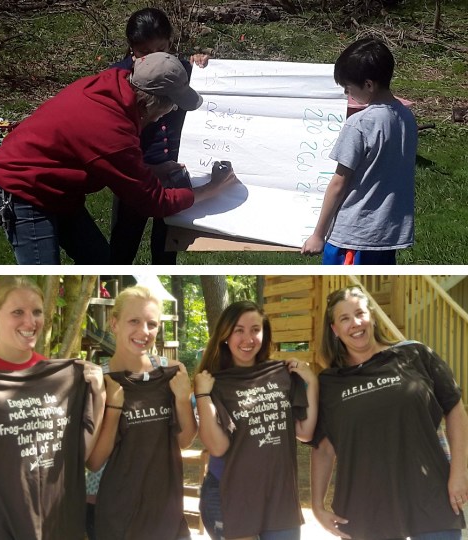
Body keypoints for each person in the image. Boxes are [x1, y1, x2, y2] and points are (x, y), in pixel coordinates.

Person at [0, 51, 241, 265]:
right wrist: (212, 188)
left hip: (55, 186)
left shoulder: (114, 83)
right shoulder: (111, 130)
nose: (169, 113)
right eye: (172, 106)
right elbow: (154, 203)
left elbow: (103, 157)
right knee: (44, 281)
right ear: (152, 104)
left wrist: (149, 170)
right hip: (22, 187)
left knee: (100, 263)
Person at [0, 277, 107, 539]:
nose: (30, 322)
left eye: (37, 312)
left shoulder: (56, 379)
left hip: (42, 518)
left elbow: (78, 454)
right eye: (18, 312)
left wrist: (100, 396)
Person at [309, 286, 467, 539]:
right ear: (335, 330)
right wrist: (317, 506)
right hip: (366, 512)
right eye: (344, 318)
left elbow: (455, 408)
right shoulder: (329, 383)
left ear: (372, 317)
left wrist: (459, 473)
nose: (355, 323)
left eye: (360, 313)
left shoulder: (415, 354)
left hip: (431, 500)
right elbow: (324, 448)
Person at [193, 301, 317, 540]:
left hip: (280, 497)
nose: (248, 338)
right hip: (232, 494)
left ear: (265, 333)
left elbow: (305, 432)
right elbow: (217, 446)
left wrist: (312, 382)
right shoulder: (213, 382)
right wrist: (202, 395)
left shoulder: (282, 374)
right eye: (239, 330)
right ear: (225, 335)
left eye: (255, 330)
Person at [85, 285, 195, 540]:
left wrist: (181, 399)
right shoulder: (97, 379)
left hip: (165, 510)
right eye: (134, 321)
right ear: (114, 323)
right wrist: (113, 407)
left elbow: (184, 440)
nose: (143, 332)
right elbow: (93, 461)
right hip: (112, 510)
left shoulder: (173, 371)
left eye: (151, 324)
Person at [299, 38, 417, 265]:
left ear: (369, 85)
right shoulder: (406, 117)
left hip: (354, 237)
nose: (346, 94)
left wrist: (318, 235)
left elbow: (339, 183)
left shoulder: (360, 123)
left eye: (349, 88)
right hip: (388, 233)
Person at [107, 8, 211, 265]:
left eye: (162, 49)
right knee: (123, 243)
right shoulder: (119, 76)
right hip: (136, 171)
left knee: (166, 248)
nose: (154, 58)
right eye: (145, 52)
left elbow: (211, 86)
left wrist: (205, 65)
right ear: (132, 47)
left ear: (170, 42)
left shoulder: (182, 70)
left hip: (175, 169)